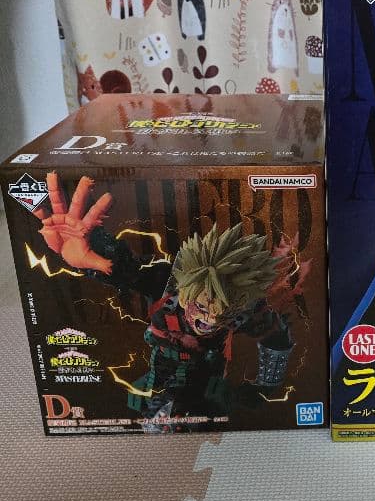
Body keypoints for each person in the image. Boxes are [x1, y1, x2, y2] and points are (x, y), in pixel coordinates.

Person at [33, 173, 294, 429]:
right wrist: (93, 248)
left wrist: (262, 388)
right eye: (203, 308)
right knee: (148, 409)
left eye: (223, 313)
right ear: (187, 292)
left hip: (206, 381)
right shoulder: (167, 285)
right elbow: (127, 271)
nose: (212, 320)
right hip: (162, 372)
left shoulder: (244, 308)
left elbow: (276, 337)